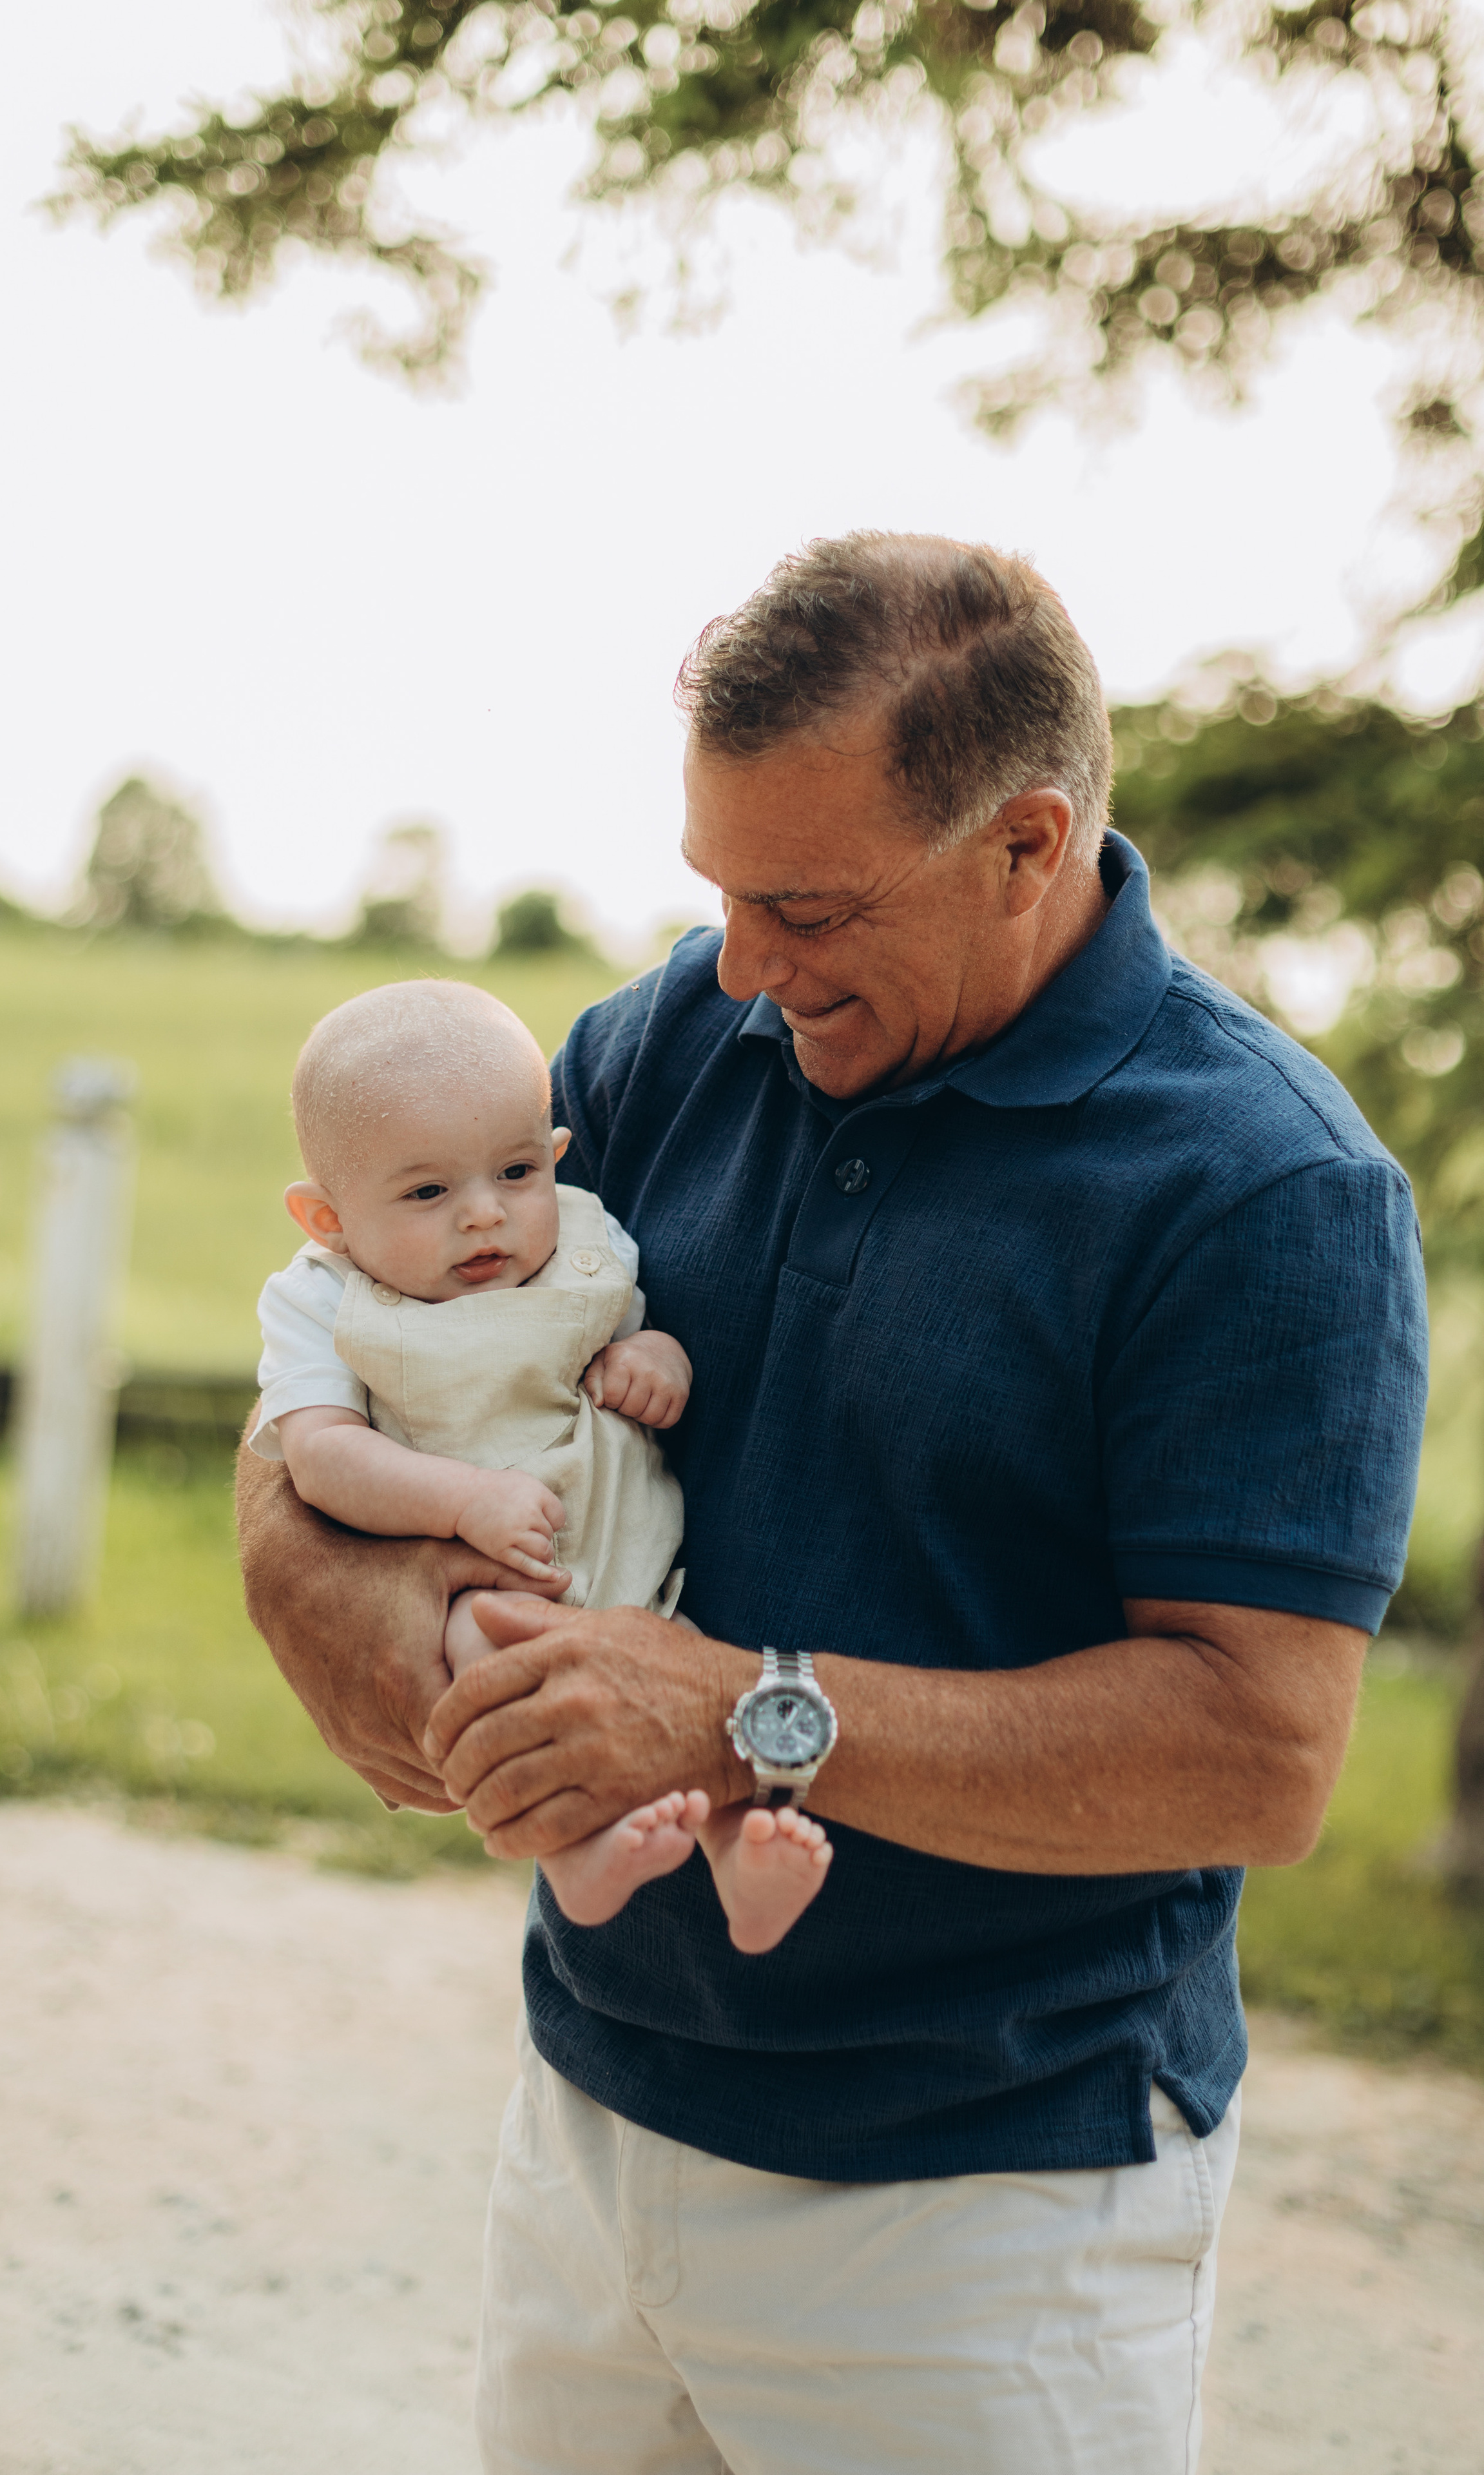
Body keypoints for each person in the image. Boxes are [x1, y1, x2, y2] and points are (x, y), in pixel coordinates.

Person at [236, 533, 1428, 2473]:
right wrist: (373, 1623)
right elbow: (345, 1353)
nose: (737, 964)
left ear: (1025, 845)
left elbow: (1256, 1754)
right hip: (589, 2117)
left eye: (800, 904)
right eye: (717, 889)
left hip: (984, 2218)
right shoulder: (670, 1041)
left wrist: (734, 1712)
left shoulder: (1263, 1189)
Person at [248, 976, 834, 1949]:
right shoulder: (322, 1303)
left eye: (516, 1173)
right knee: (495, 1668)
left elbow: (637, 1334)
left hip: (637, 1567)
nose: (485, 1215)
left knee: (704, 1689)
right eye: (429, 1192)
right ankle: (574, 1849)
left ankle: (743, 1851)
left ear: (555, 1156)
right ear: (327, 1220)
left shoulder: (584, 1241)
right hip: (491, 1583)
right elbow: (321, 1455)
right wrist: (464, 1503)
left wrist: (657, 1362)